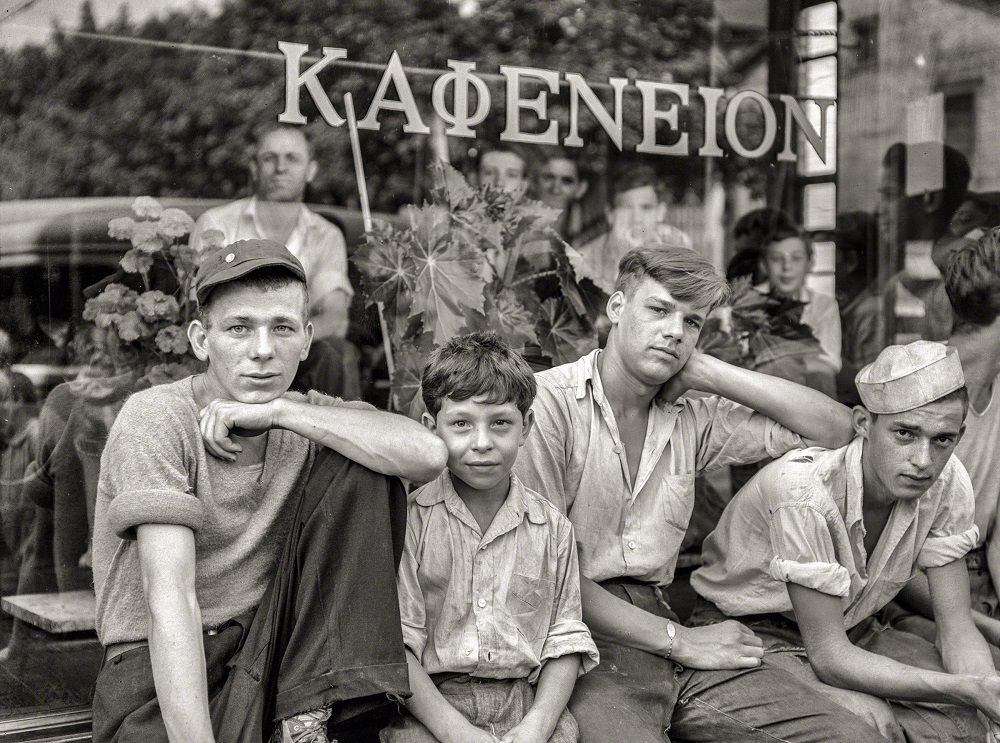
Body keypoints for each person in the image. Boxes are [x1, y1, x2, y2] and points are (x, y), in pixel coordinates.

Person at [515, 244, 888, 742]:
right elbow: (550, 578)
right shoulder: (548, 407)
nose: (674, 331)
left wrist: (707, 371)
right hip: (579, 640)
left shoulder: (693, 414)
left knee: (848, 736)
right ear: (617, 307)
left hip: (664, 618)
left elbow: (838, 430)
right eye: (660, 309)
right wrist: (683, 642)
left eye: (691, 323)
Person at [90, 239, 448, 743]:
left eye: (281, 328)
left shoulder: (303, 413)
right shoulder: (157, 418)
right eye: (239, 328)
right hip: (162, 676)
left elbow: (428, 454)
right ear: (200, 339)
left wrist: (281, 412)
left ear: (305, 340)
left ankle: (310, 714)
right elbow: (170, 598)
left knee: (364, 460)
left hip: (273, 663)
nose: (262, 350)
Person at [691, 340, 998, 741]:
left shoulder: (948, 481)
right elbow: (830, 657)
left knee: (968, 727)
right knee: (863, 730)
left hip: (854, 627)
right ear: (863, 424)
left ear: (958, 436)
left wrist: (986, 692)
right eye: (905, 433)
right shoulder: (804, 490)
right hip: (750, 635)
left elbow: (955, 628)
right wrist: (966, 689)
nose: (924, 460)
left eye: (942, 439)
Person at [382, 333, 598, 743]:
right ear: (432, 428)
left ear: (526, 426)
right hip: (431, 708)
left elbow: (564, 641)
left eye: (500, 422)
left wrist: (536, 726)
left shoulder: (553, 530)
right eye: (461, 424)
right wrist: (457, 733)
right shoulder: (412, 522)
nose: (482, 443)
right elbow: (399, 648)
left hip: (527, 703)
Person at [887, 229, 1000, 666]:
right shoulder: (918, 389)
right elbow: (893, 559)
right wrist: (985, 627)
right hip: (912, 598)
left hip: (978, 585)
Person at [190, 124, 354, 350]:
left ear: (311, 171)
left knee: (338, 352)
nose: (281, 168)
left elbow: (333, 316)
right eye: (269, 158)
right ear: (254, 168)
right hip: (234, 350)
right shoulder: (217, 224)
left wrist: (282, 343)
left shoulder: (326, 235)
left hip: (297, 352)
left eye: (292, 158)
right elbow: (199, 309)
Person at [572, 166, 691, 294]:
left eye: (646, 208)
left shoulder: (678, 246)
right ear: (610, 215)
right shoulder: (583, 260)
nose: (636, 218)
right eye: (626, 208)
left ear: (660, 212)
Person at [755, 216, 843, 389]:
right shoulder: (746, 302)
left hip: (806, 392)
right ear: (764, 265)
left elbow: (828, 364)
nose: (787, 267)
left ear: (810, 263)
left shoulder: (824, 305)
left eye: (796, 258)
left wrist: (769, 363)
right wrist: (803, 355)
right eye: (776, 258)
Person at [535, 151, 588, 242]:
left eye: (566, 181)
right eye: (548, 178)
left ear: (580, 189)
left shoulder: (587, 235)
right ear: (534, 182)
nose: (555, 189)